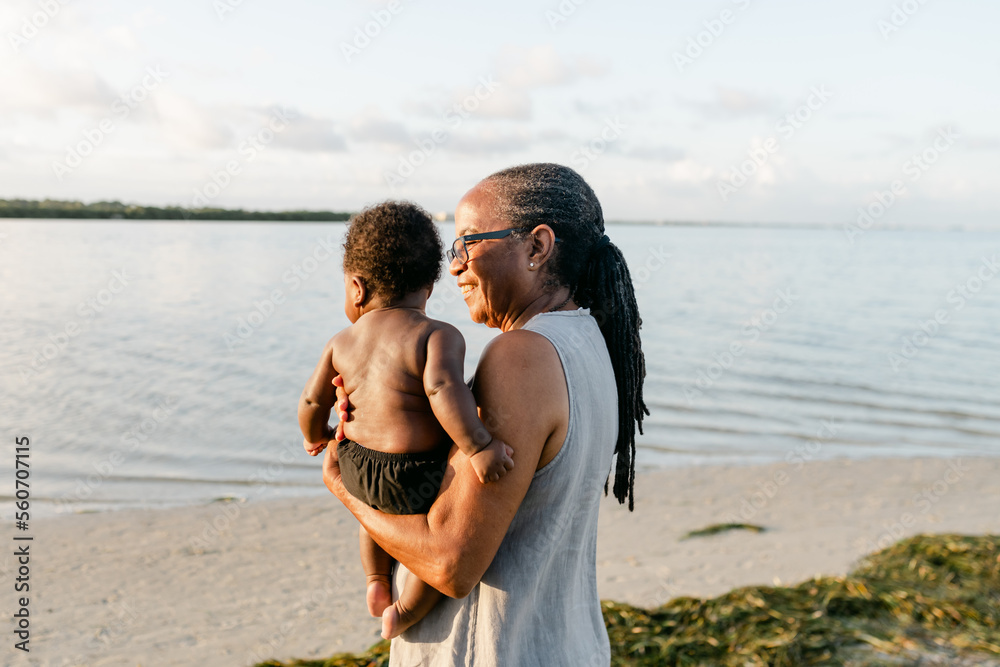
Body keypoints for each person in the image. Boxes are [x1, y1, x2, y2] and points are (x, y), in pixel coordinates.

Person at [322, 163, 649, 666]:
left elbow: (449, 561)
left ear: (537, 248)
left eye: (468, 243)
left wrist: (343, 484)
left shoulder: (521, 355)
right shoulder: (586, 343)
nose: (452, 265)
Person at [298, 201, 514, 640]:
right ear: (429, 288)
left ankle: (376, 582)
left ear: (356, 288)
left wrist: (315, 435)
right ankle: (407, 610)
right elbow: (441, 391)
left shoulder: (340, 341)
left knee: (372, 517)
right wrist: (478, 446)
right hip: (414, 473)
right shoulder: (437, 335)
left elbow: (310, 400)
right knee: (427, 527)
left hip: (357, 463)